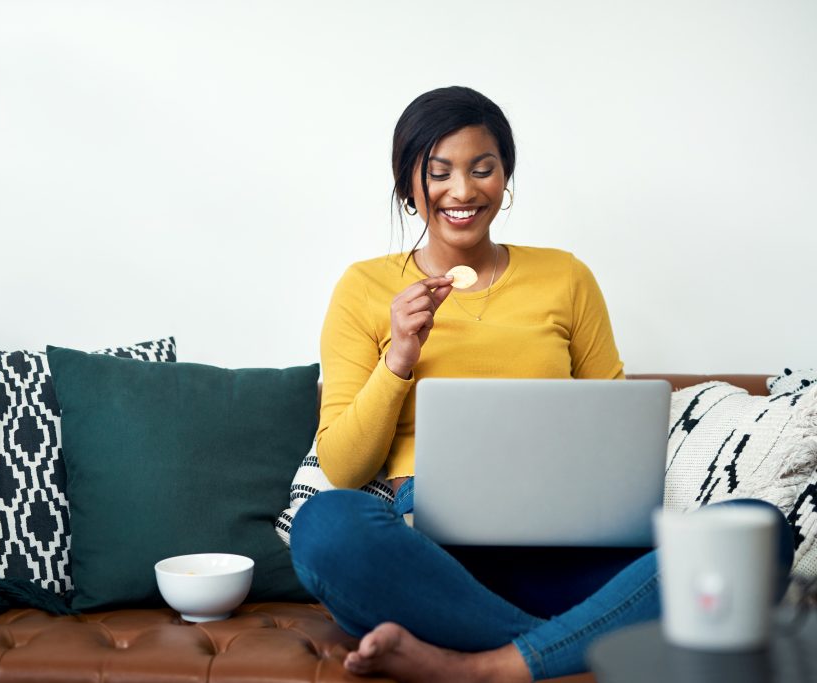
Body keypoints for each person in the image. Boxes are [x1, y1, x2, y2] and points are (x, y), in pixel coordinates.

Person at [288, 86, 793, 682]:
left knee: (760, 530)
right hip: (434, 557)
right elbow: (345, 469)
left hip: (571, 549)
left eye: (483, 169)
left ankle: (486, 666)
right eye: (440, 172)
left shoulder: (566, 276)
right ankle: (561, 643)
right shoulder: (364, 288)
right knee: (324, 528)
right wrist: (398, 357)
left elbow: (616, 427)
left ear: (505, 177)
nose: (463, 191)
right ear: (408, 185)